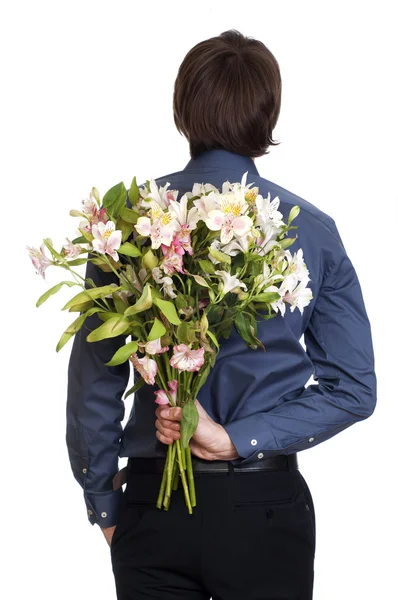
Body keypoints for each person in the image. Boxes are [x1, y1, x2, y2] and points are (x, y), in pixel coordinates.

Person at [66, 29, 377, 600]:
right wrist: (241, 440)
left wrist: (105, 503)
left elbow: (95, 379)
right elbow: (353, 388)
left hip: (152, 507)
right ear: (268, 115)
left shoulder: (130, 225)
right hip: (262, 511)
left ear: (183, 110)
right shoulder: (311, 230)